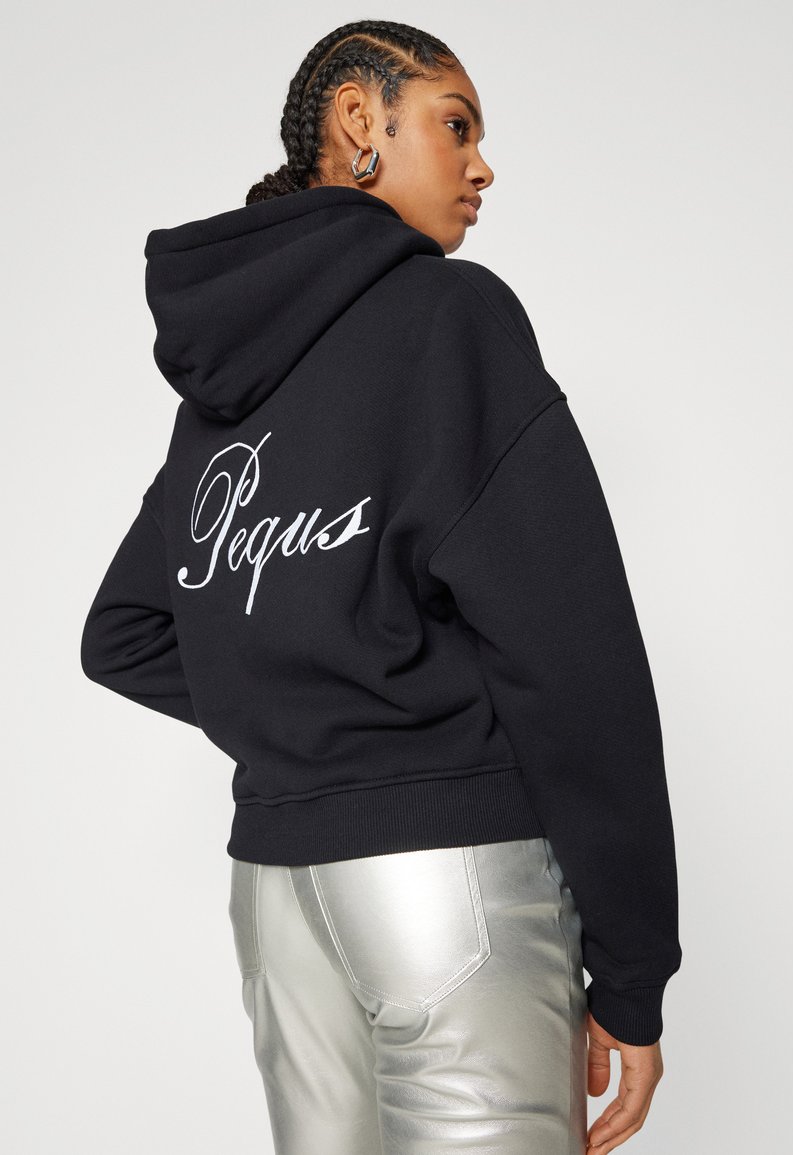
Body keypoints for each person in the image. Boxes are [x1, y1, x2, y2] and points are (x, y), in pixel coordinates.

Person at [80, 18, 682, 1155]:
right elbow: (573, 656)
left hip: (277, 900)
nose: (482, 166)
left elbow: (124, 631)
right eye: (456, 126)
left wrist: (311, 719)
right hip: (450, 887)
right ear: (362, 121)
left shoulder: (227, 379)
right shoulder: (453, 318)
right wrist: (634, 973)